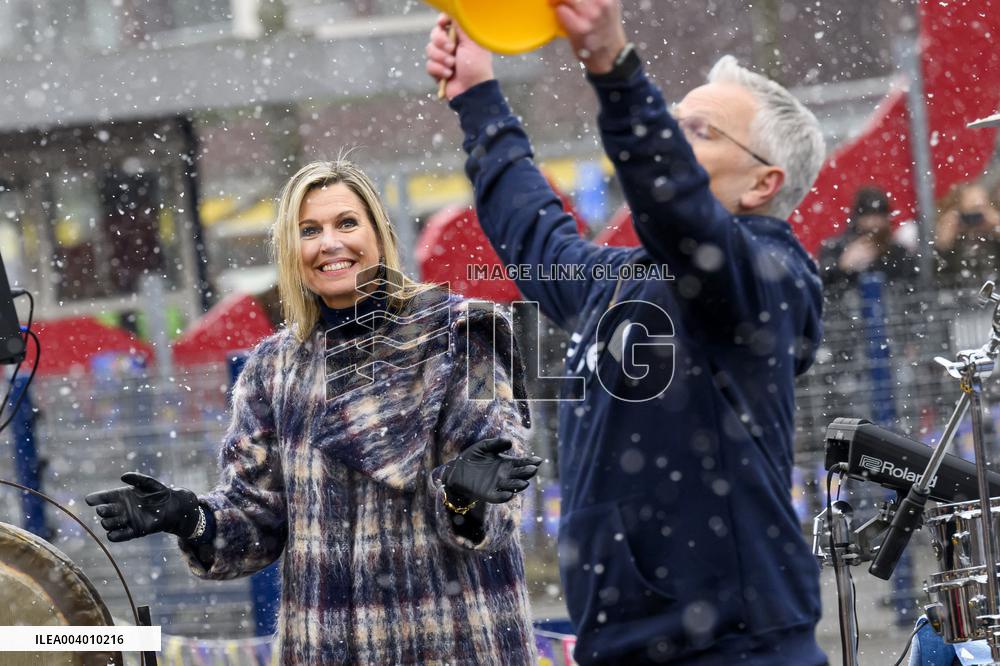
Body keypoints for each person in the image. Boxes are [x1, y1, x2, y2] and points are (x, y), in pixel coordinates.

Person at [426, 2, 827, 663]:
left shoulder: (771, 279)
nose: (670, 134)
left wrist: (614, 66)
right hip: (619, 646)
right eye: (672, 120)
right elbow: (535, 232)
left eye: (697, 130)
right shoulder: (619, 279)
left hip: (737, 649)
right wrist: (478, 98)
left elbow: (679, 208)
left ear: (764, 183)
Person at [85, 160, 543, 664]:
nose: (330, 243)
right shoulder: (274, 368)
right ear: (291, 251)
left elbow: (497, 505)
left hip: (453, 643)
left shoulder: (463, 337)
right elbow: (257, 519)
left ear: (380, 235)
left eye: (347, 223)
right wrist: (189, 516)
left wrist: (462, 495)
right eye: (310, 230)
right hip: (325, 648)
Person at [819, 186, 917, 290]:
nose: (873, 222)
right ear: (856, 219)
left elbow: (912, 289)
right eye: (867, 215)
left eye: (879, 215)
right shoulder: (835, 249)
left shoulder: (899, 253)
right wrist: (842, 266)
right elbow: (822, 286)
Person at [934, 182, 1000, 285]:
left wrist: (996, 225)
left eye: (981, 208)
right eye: (971, 210)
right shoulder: (954, 234)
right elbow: (933, 270)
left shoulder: (993, 233)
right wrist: (945, 235)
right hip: (956, 292)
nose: (975, 218)